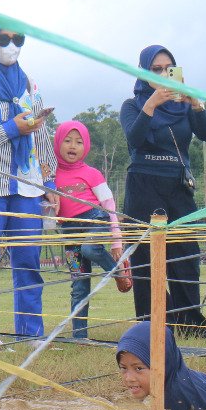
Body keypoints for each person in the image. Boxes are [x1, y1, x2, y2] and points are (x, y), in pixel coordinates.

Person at [0, 22, 56, 349]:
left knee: (29, 261)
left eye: (17, 38)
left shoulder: (28, 84)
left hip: (27, 184)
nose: (12, 45)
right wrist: (10, 128)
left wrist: (49, 181)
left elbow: (42, 135)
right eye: (4, 39)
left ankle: (31, 334)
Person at [119, 44, 206, 336]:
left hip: (178, 185)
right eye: (156, 69)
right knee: (146, 259)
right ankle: (152, 325)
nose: (162, 74)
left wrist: (196, 104)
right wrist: (151, 104)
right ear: (143, 72)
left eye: (168, 69)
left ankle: (191, 323)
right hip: (144, 184)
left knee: (185, 255)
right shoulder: (132, 105)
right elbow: (135, 140)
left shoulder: (184, 105)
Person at [53, 120, 132, 338]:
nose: (72, 145)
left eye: (79, 142)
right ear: (58, 142)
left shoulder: (92, 174)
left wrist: (116, 241)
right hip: (69, 232)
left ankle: (116, 272)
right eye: (67, 140)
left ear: (86, 146)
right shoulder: (50, 176)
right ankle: (80, 336)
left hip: (95, 220)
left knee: (90, 249)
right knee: (79, 285)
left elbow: (110, 207)